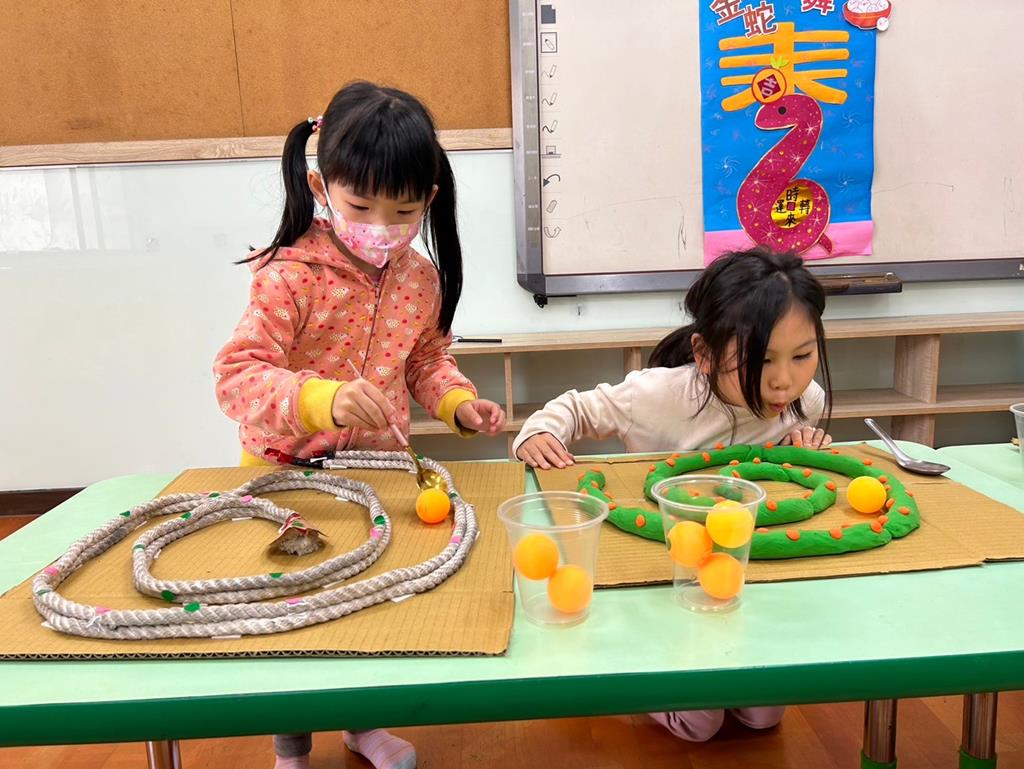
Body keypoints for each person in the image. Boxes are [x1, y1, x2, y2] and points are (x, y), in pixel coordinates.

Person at [213, 80, 506, 769]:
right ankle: (291, 744)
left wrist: (458, 403)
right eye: (361, 205)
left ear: (429, 198)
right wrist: (323, 399)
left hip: (376, 475)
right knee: (292, 612)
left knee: (369, 601)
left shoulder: (420, 279)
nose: (382, 224)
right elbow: (237, 377)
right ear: (321, 187)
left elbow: (426, 359)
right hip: (286, 476)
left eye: (403, 210)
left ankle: (363, 724)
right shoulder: (289, 275)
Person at [513, 247, 832, 742]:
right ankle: (622, 666)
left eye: (802, 355)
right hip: (658, 572)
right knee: (698, 723)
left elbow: (791, 451)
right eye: (761, 360)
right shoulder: (656, 396)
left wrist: (803, 442)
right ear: (704, 354)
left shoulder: (803, 400)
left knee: (763, 715)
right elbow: (574, 409)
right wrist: (538, 432)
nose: (783, 380)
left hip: (743, 573)